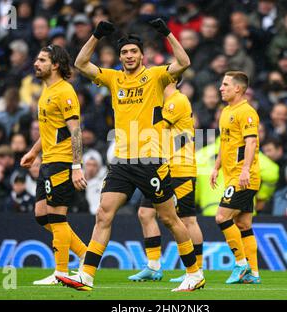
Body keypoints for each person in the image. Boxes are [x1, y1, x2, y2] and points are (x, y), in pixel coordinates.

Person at [57, 19, 205, 292]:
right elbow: (80, 63)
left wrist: (167, 34)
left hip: (151, 161)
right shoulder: (113, 78)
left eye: (133, 52)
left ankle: (194, 273)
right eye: (124, 52)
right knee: (103, 214)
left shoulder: (156, 76)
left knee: (171, 219)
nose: (128, 56)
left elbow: (184, 62)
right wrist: (96, 35)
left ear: (141, 55)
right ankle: (86, 275)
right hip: (122, 161)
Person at [20, 44, 88, 285]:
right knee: (41, 214)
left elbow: (75, 131)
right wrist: (33, 151)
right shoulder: (46, 92)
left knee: (57, 217)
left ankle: (60, 272)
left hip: (62, 161)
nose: (36, 64)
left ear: (55, 64)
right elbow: (50, 130)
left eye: (41, 60)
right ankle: (85, 255)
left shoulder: (64, 91)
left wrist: (77, 166)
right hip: (47, 160)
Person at [128, 79, 204, 283]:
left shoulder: (177, 100)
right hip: (161, 168)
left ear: (172, 79)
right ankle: (153, 266)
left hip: (180, 167)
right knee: (145, 213)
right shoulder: (163, 102)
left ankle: (196, 270)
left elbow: (156, 129)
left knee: (187, 220)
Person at [210, 71, 261, 285]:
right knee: (243, 224)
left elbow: (250, 142)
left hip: (243, 177)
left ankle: (241, 264)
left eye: (225, 84)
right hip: (233, 175)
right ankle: (254, 273)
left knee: (222, 218)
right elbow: (225, 143)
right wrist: (216, 167)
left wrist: (246, 170)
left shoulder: (247, 112)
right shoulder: (226, 112)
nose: (221, 88)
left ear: (238, 88)